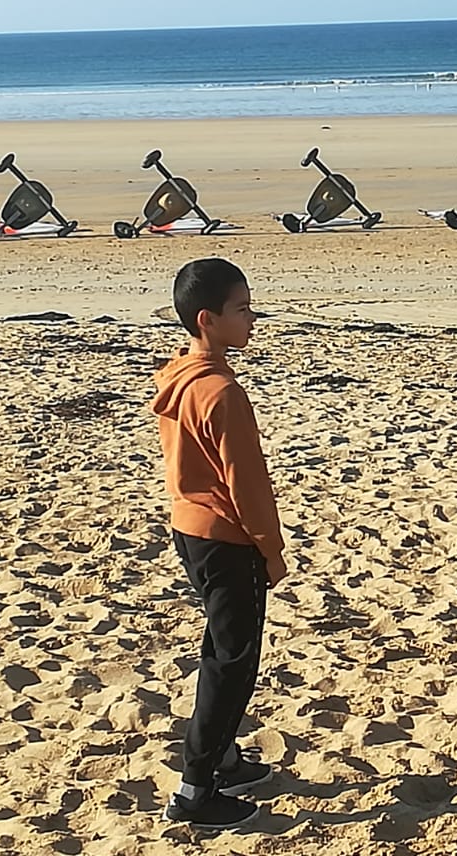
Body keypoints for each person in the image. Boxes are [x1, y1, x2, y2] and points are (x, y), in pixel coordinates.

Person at [152, 258, 286, 829]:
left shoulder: (179, 374)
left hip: (190, 529)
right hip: (225, 537)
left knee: (222, 649)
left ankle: (225, 760)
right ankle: (194, 789)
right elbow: (247, 484)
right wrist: (270, 549)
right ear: (207, 319)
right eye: (242, 309)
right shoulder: (221, 392)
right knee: (232, 663)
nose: (252, 318)